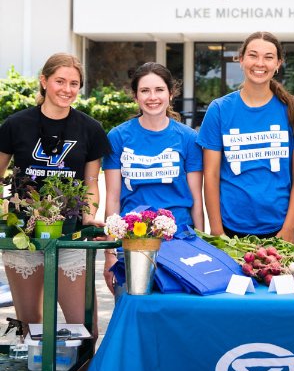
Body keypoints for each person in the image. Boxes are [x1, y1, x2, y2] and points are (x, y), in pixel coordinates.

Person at [0, 53, 110, 327]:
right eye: (60, 81)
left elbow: (92, 182)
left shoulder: (90, 129)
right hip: (22, 236)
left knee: (85, 328)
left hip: (69, 236)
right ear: (44, 81)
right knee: (29, 327)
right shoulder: (16, 124)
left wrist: (89, 216)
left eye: (74, 83)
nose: (67, 89)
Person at [198, 31, 294, 243]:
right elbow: (212, 174)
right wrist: (216, 231)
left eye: (268, 57)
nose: (260, 63)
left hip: (281, 229)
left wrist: (289, 228)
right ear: (241, 59)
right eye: (253, 55)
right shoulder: (219, 110)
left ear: (278, 63)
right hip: (230, 231)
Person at [102, 62, 203, 294]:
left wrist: (202, 242)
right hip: (131, 241)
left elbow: (197, 200)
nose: (152, 97)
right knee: (134, 312)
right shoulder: (118, 136)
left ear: (170, 94)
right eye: (145, 91)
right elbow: (113, 200)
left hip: (179, 240)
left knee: (176, 316)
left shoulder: (188, 138)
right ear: (135, 96)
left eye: (159, 90)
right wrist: (109, 254)